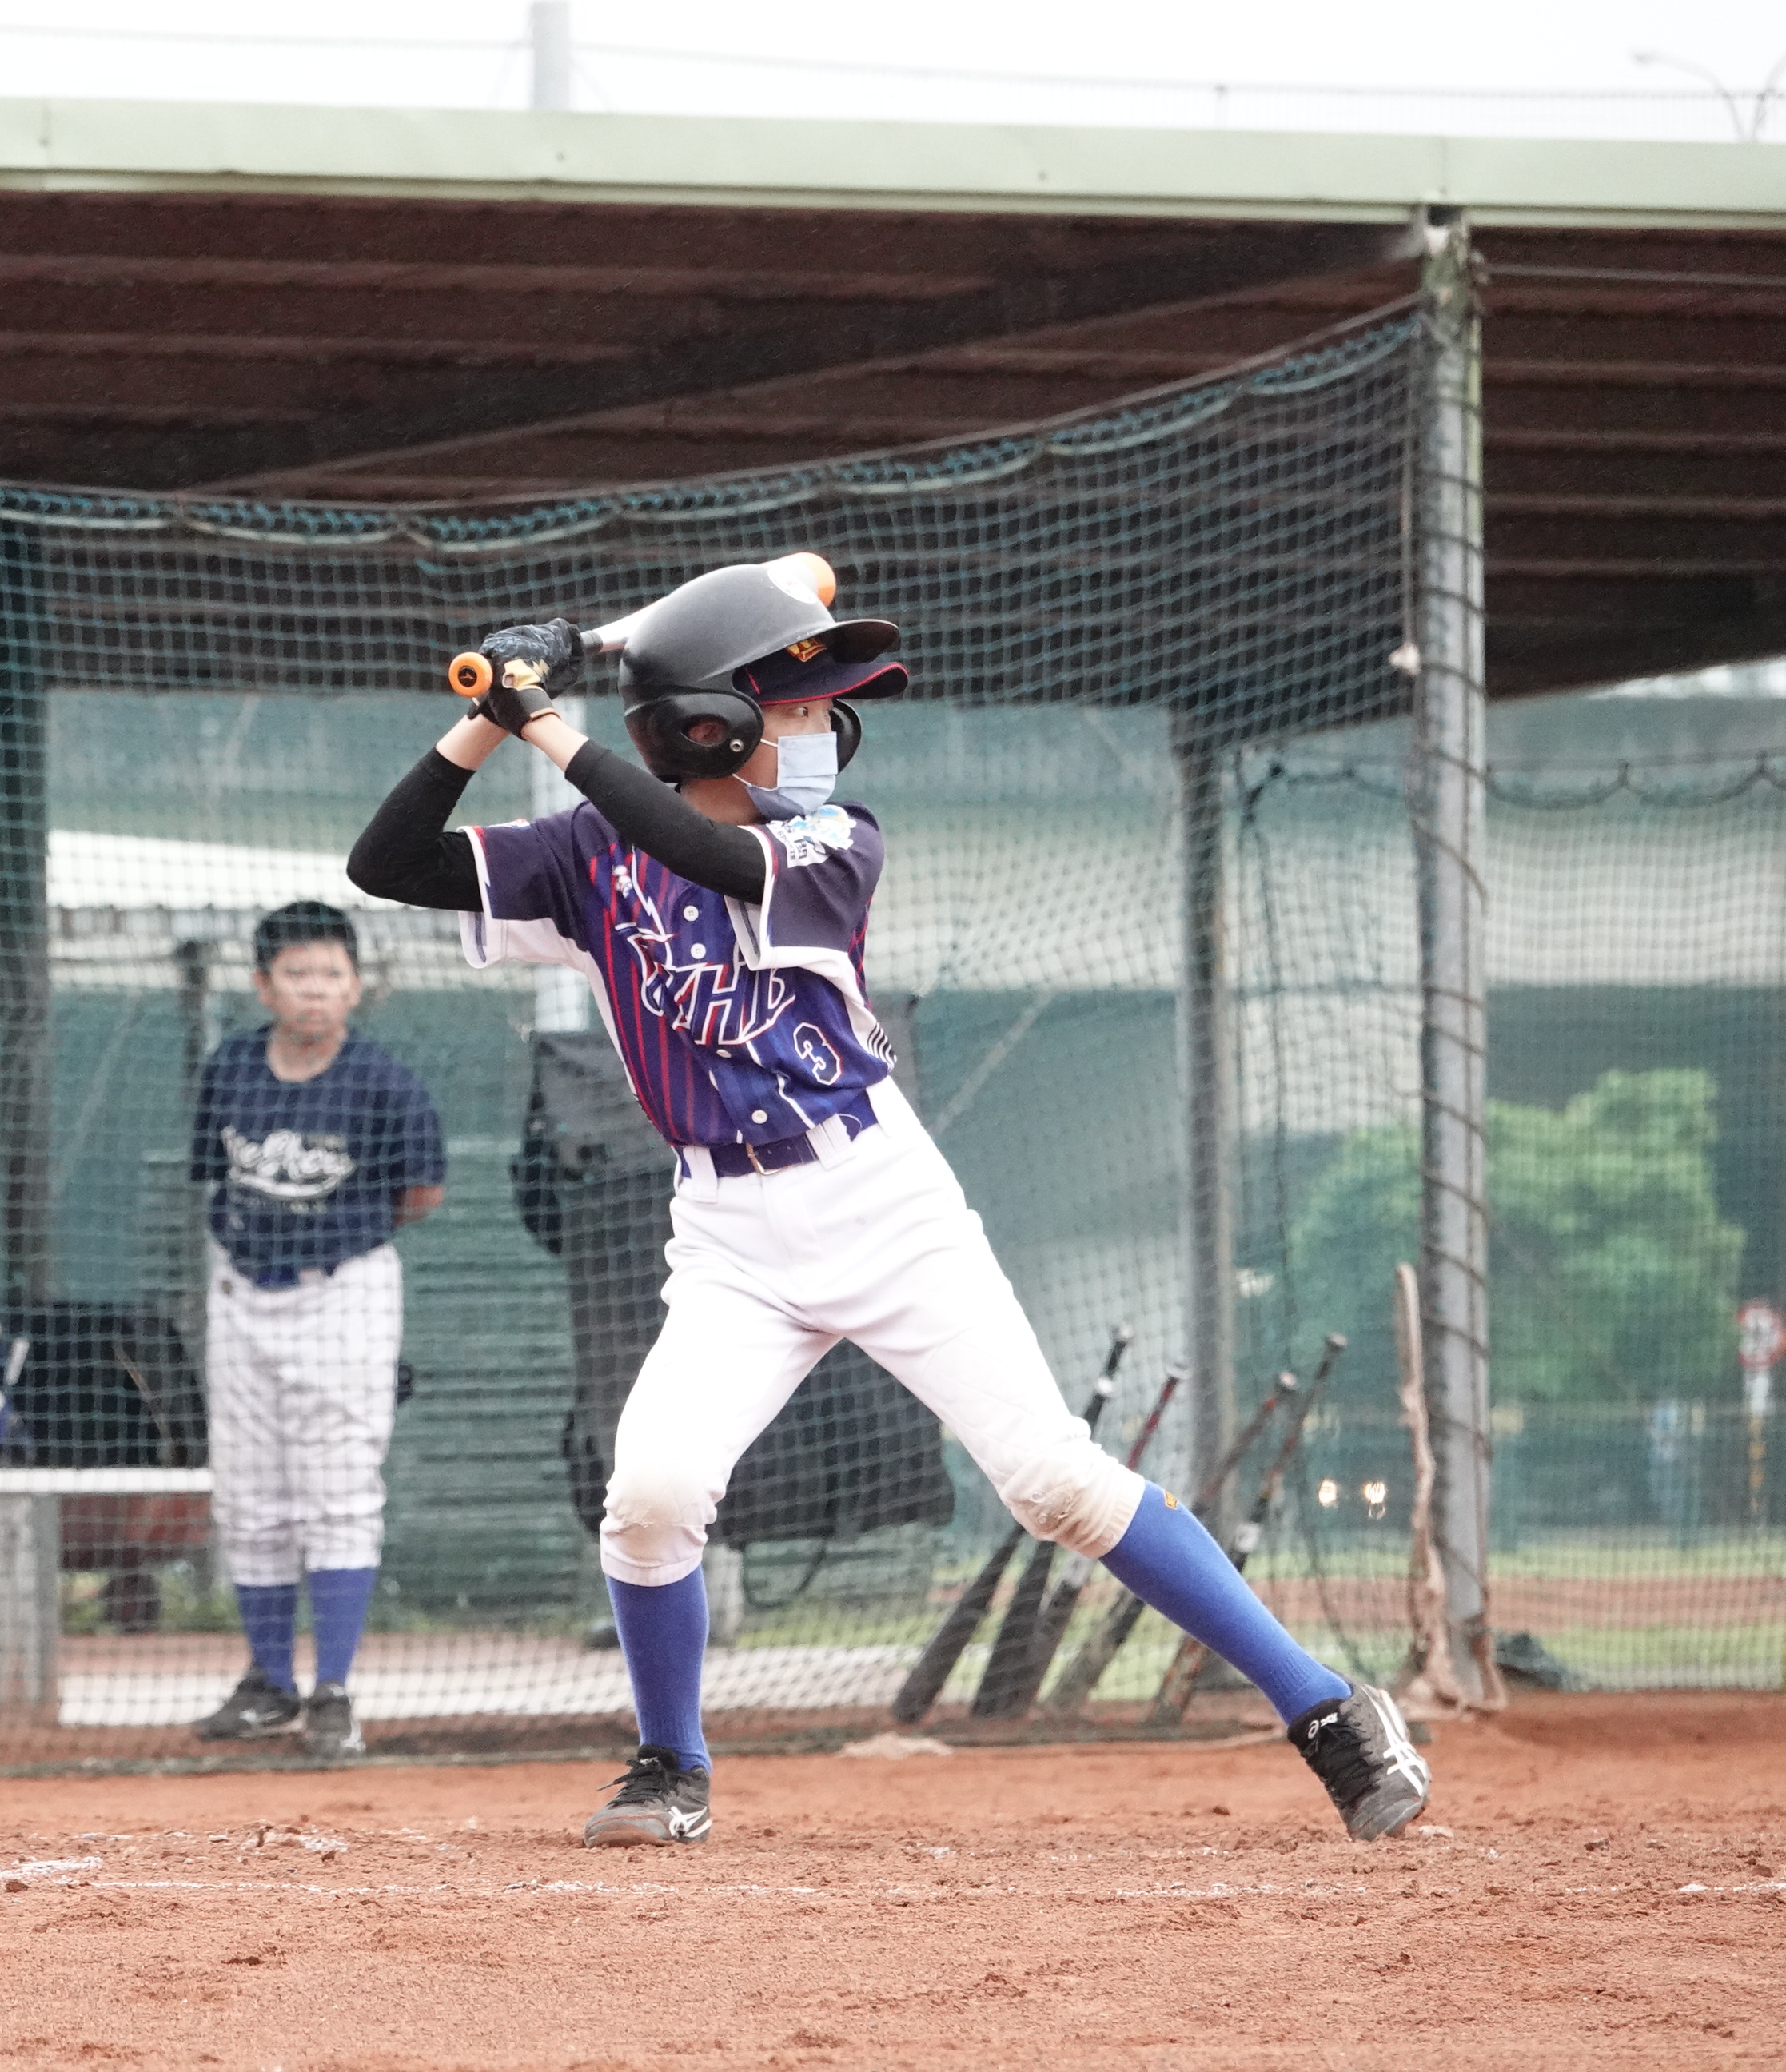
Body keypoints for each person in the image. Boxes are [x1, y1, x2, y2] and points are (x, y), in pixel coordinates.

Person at [345, 560, 1430, 1846]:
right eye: (797, 709)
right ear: (708, 726)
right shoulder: (583, 855)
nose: (827, 730)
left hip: (878, 1198)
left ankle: (1327, 1710)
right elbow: (386, 863)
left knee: (1053, 1484)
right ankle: (670, 1766)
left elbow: (696, 847)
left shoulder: (835, 839)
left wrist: (544, 719)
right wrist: (488, 717)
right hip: (728, 1232)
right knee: (651, 1493)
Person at [186, 899, 445, 1762]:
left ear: (356, 986)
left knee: (338, 1489)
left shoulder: (384, 1082)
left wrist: (335, 1239)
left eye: (332, 973)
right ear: (264, 985)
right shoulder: (232, 1068)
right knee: (249, 1495)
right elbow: (210, 1173)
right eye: (297, 974)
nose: (315, 989)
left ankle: (332, 1690)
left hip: (343, 1291)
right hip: (241, 1290)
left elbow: (421, 1193)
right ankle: (269, 1684)